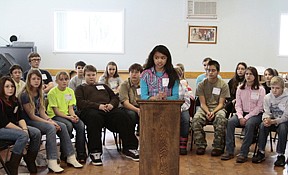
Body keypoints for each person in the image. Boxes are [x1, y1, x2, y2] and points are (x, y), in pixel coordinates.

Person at [20, 69, 83, 173]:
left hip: (39, 118)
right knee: (50, 128)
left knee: (61, 126)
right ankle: (52, 161)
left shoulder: (39, 92)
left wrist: (50, 120)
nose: (36, 81)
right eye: (34, 79)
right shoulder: (25, 94)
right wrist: (50, 123)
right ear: (29, 80)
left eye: (38, 79)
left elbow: (41, 112)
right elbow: (32, 116)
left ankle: (70, 156)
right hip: (28, 121)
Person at [75, 65, 139, 166]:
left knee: (122, 115)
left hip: (108, 110)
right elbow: (80, 103)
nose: (91, 77)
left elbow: (114, 97)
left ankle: (130, 148)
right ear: (84, 76)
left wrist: (111, 104)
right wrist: (98, 106)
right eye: (88, 75)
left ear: (96, 75)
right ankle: (95, 151)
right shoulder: (80, 88)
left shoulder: (103, 86)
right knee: (94, 118)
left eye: (93, 75)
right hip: (91, 111)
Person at [221, 66, 265, 163]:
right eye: (247, 74)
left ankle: (243, 153)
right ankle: (229, 150)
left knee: (250, 124)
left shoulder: (260, 89)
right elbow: (238, 105)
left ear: (255, 76)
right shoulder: (240, 88)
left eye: (251, 74)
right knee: (230, 122)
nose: (248, 76)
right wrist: (240, 116)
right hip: (242, 113)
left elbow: (259, 107)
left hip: (255, 114)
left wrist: (246, 117)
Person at [0, 76, 41, 175]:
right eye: (7, 86)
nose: (10, 89)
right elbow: (4, 122)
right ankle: (13, 164)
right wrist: (22, 131)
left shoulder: (15, 100)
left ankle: (30, 158)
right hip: (2, 128)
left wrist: (25, 128)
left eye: (12, 86)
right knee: (22, 135)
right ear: (1, 87)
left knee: (36, 133)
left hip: (13, 127)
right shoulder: (0, 101)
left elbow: (20, 118)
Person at [191, 60, 230, 156]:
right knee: (196, 120)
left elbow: (221, 103)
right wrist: (208, 112)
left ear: (218, 72)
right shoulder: (201, 85)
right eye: (208, 70)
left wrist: (213, 112)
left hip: (218, 108)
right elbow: (202, 103)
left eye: (213, 70)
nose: (210, 72)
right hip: (205, 108)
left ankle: (218, 147)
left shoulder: (223, 85)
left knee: (221, 119)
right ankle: (200, 145)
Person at [47, 71, 87, 163]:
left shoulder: (70, 91)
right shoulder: (52, 93)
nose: (64, 81)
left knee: (80, 125)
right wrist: (69, 118)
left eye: (66, 79)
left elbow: (70, 108)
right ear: (56, 81)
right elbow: (56, 112)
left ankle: (81, 153)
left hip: (67, 114)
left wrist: (73, 116)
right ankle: (65, 153)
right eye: (61, 80)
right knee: (68, 125)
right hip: (55, 116)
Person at [252, 76, 288, 167]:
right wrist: (266, 119)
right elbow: (266, 111)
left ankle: (280, 155)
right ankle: (261, 152)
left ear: (282, 88)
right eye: (272, 88)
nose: (274, 90)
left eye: (277, 88)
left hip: (283, 121)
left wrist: (274, 121)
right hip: (271, 120)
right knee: (262, 125)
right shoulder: (267, 97)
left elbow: (285, 117)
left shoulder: (286, 98)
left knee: (283, 128)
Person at [119, 63, 143, 136]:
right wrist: (137, 110)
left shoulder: (144, 84)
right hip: (128, 107)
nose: (134, 74)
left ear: (141, 74)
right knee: (131, 115)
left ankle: (144, 135)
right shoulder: (124, 85)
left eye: (136, 72)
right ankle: (130, 137)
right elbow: (125, 103)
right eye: (132, 72)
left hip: (141, 107)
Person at [174, 67, 191, 155]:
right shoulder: (166, 86)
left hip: (183, 108)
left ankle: (183, 144)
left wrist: (180, 109)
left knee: (185, 119)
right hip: (170, 109)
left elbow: (187, 100)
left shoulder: (183, 86)